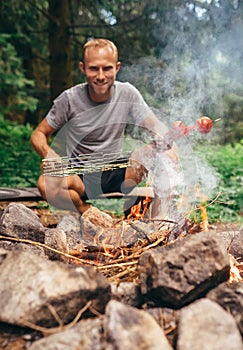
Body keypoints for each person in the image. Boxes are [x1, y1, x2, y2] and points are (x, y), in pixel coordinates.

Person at [30, 38, 177, 217]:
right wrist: (49, 154)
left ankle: (159, 221)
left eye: (107, 68)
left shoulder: (127, 92)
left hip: (119, 172)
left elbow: (154, 125)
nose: (100, 76)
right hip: (80, 176)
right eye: (93, 68)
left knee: (166, 151)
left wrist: (163, 136)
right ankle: (90, 214)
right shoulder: (69, 99)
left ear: (117, 67)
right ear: (83, 68)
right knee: (46, 183)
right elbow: (38, 134)